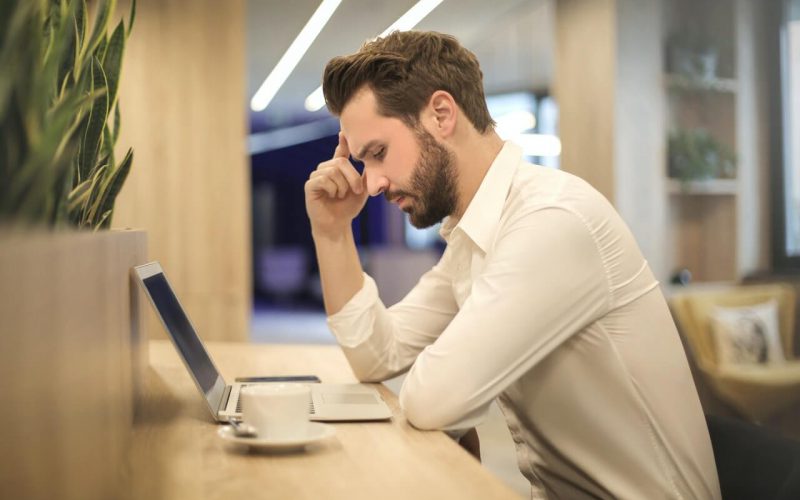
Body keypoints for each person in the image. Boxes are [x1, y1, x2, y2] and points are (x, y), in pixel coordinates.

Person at [304, 30, 721, 499]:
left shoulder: (551, 221)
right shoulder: (476, 235)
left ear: (441, 114)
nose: (373, 183)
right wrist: (332, 232)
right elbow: (377, 355)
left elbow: (432, 400)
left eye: (378, 154)